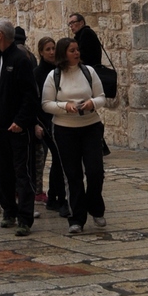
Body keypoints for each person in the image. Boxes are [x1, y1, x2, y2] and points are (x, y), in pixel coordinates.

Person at [43, 35, 107, 234]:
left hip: (90, 126)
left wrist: (92, 104)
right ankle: (76, 218)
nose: (77, 53)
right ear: (64, 54)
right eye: (72, 51)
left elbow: (101, 97)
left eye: (77, 50)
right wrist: (66, 106)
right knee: (73, 175)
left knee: (95, 171)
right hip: (65, 129)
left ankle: (95, 207)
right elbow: (46, 104)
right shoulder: (54, 76)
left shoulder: (89, 72)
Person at [0, 18, 40, 236]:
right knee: (4, 172)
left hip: (18, 130)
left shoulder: (21, 60)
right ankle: (9, 211)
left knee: (22, 173)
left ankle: (25, 217)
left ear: (0, 35)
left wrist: (21, 121)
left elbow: (30, 96)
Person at [35, 34, 65, 212]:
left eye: (54, 48)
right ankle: (56, 196)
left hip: (58, 120)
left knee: (59, 159)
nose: (52, 52)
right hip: (46, 122)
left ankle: (55, 195)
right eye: (48, 49)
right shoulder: (38, 74)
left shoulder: (60, 70)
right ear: (41, 52)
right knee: (57, 157)